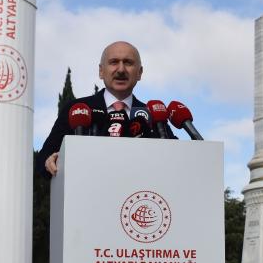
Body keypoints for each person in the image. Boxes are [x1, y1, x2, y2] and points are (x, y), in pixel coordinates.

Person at [37, 41, 172, 177]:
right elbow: (42, 161)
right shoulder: (76, 109)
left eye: (128, 63)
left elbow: (175, 155)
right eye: (114, 62)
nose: (121, 70)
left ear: (139, 73)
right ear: (101, 71)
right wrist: (53, 161)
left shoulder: (153, 115)